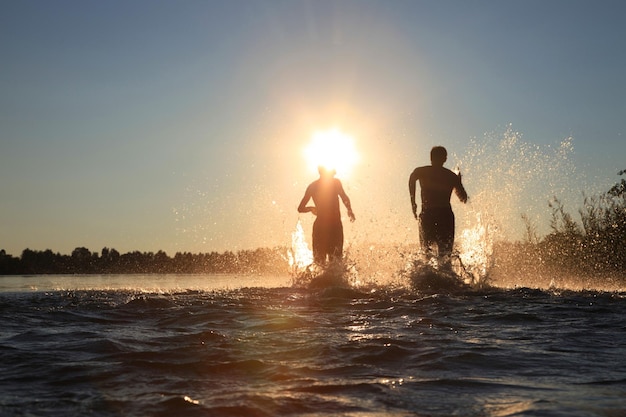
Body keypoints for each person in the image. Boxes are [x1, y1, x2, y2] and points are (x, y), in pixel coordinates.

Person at [409, 146, 468, 260]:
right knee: (445, 255)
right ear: (445, 159)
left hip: (428, 214)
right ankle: (446, 276)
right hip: (445, 215)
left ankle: (426, 277)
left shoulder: (422, 171)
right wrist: (459, 181)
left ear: (430, 157)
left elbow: (412, 179)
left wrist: (413, 202)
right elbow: (463, 199)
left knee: (426, 253)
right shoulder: (451, 176)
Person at [298, 166, 356, 264]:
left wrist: (311, 208)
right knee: (334, 261)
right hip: (334, 226)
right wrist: (349, 210)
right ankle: (332, 279)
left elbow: (301, 208)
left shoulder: (312, 186)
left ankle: (322, 279)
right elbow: (344, 197)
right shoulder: (335, 183)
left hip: (321, 226)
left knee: (321, 261)